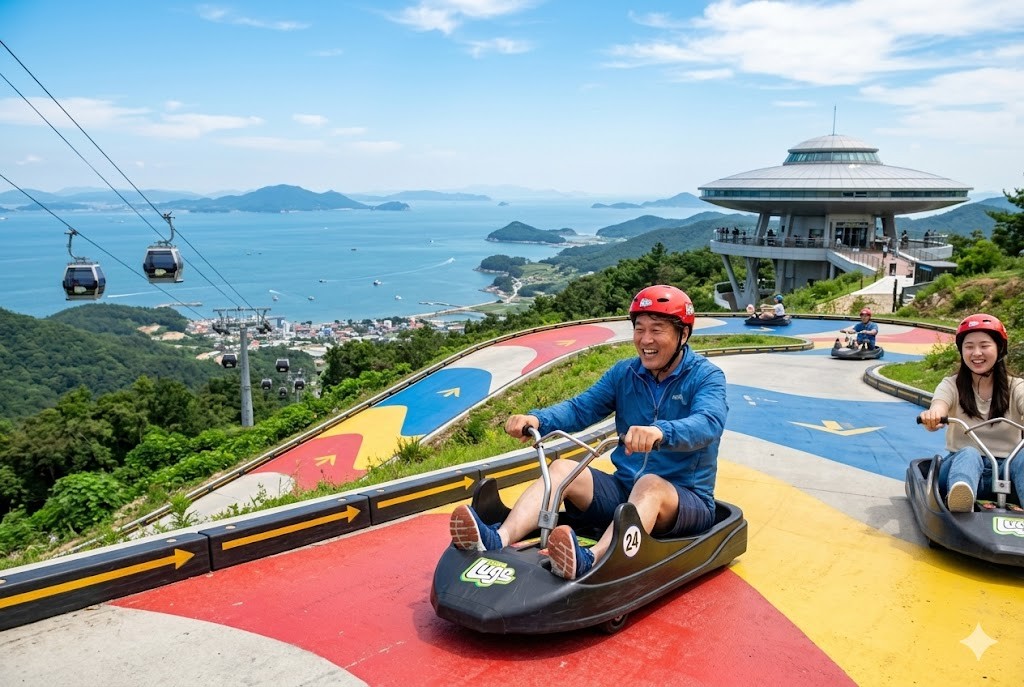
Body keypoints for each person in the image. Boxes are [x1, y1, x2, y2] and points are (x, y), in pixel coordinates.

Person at [448, 285, 728, 580]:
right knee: (562, 469)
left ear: (683, 334)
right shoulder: (625, 374)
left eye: (657, 330)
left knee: (650, 484)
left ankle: (591, 560)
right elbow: (581, 408)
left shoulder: (705, 377)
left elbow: (708, 422)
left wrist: (660, 432)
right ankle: (497, 538)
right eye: (639, 329)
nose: (646, 340)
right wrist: (538, 419)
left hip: (684, 500)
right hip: (625, 490)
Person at [918, 313, 1024, 512]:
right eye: (969, 347)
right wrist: (933, 415)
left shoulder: (1017, 387)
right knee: (969, 453)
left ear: (1000, 348)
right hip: (960, 466)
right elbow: (939, 404)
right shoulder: (951, 385)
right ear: (961, 350)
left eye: (984, 346)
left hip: (1007, 472)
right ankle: (961, 498)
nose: (976, 353)